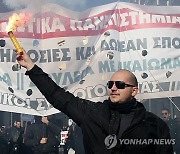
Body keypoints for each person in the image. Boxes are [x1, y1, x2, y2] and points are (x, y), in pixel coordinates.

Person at [16, 50, 173, 154]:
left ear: (134, 91)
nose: (113, 88)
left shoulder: (154, 125)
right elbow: (58, 96)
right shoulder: (92, 113)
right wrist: (31, 67)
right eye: (110, 84)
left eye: (119, 85)